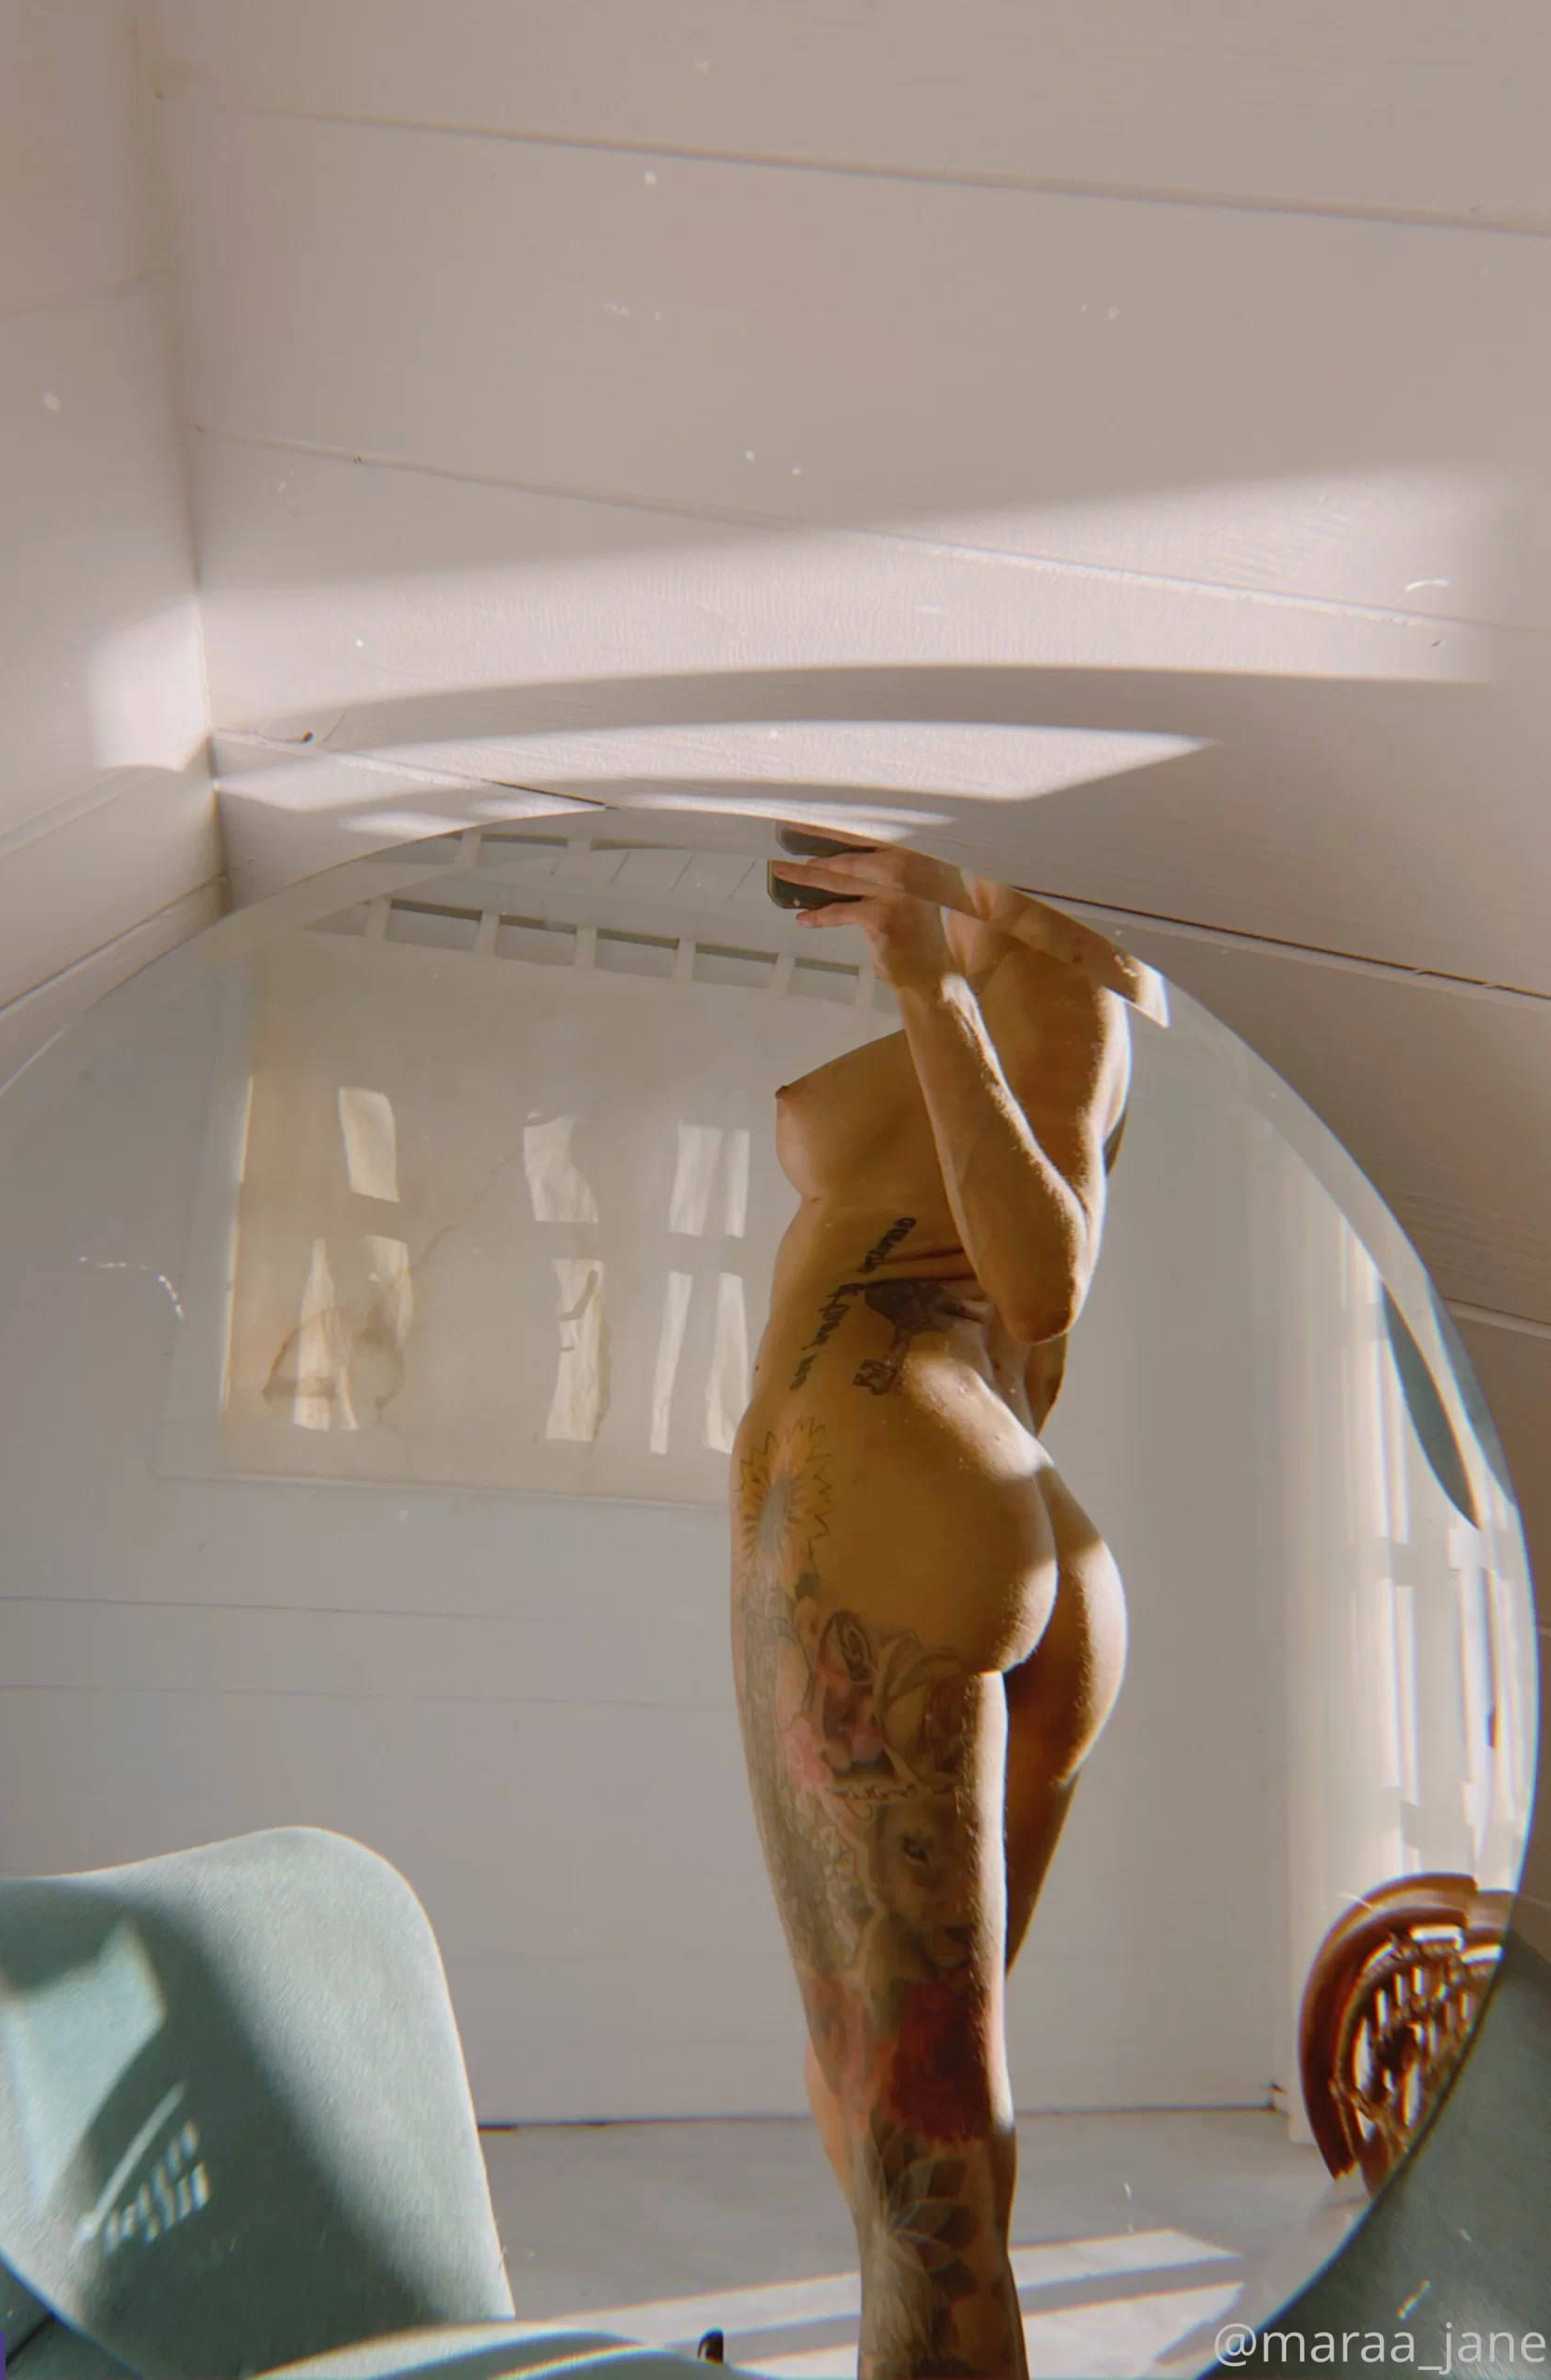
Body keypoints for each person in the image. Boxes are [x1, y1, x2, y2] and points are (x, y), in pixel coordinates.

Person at [732, 843, 1160, 2379]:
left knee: (915, 2153)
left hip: (897, 1495)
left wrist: (923, 977)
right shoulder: (1013, 957)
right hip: (951, 1498)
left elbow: (1039, 1281)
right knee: (917, 2114)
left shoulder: (1055, 963)